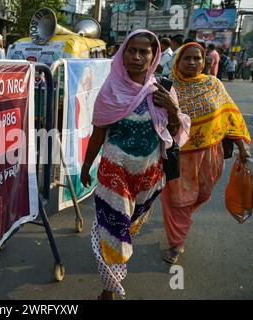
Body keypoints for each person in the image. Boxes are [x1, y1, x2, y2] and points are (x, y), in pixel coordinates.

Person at [80, 29, 190, 300]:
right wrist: (86, 166)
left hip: (148, 177)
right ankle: (110, 287)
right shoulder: (110, 90)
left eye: (144, 52)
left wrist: (173, 111)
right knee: (113, 229)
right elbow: (98, 133)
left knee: (128, 228)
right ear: (122, 54)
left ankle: (114, 271)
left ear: (154, 57)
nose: (137, 57)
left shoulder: (162, 91)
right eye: (132, 50)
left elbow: (174, 135)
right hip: (114, 171)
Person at [161, 42, 251, 264]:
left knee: (202, 194)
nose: (192, 62)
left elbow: (230, 115)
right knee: (177, 201)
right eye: (187, 58)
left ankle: (181, 222)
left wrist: (242, 146)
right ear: (178, 61)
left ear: (204, 61)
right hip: (179, 156)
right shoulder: (168, 87)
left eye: (197, 58)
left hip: (211, 154)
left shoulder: (214, 84)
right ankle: (176, 242)